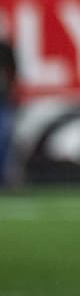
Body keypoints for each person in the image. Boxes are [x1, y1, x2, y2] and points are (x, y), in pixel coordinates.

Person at [0, 23, 16, 188]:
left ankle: (3, 178)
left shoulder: (4, 49)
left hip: (2, 100)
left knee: (4, 139)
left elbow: (13, 71)